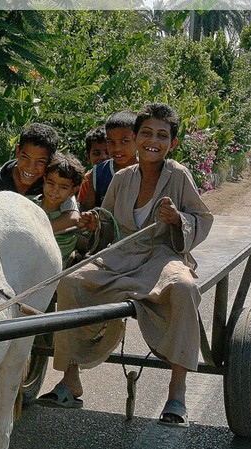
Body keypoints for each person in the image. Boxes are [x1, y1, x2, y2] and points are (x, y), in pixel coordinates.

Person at [38, 102, 213, 428]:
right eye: (146, 133)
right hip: (120, 255)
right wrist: (93, 226)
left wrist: (178, 219)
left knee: (185, 287)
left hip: (162, 256)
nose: (153, 140)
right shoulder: (122, 178)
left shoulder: (179, 175)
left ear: (172, 143)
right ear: (135, 137)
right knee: (71, 282)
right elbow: (109, 227)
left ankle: (177, 392)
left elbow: (201, 217)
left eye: (162, 135)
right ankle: (69, 380)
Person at [0, 121, 78, 226]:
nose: (30, 167)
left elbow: (72, 217)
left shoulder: (53, 181)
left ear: (51, 159)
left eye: (40, 162)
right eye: (25, 157)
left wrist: (35, 231)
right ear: (18, 151)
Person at [77, 110, 139, 212]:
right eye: (111, 142)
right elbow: (86, 208)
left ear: (137, 139)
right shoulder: (98, 173)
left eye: (124, 141)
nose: (117, 148)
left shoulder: (148, 170)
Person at [33, 152, 85, 263]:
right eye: (51, 183)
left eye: (63, 187)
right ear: (44, 179)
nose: (55, 190)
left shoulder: (69, 222)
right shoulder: (29, 203)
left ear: (74, 190)